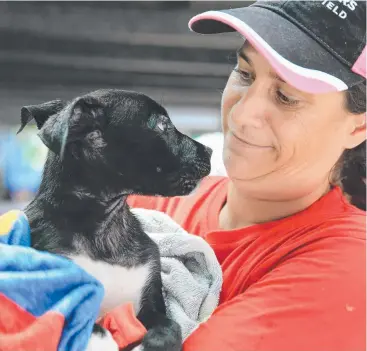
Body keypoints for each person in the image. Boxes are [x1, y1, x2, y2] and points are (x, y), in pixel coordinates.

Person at [128, 1, 366, 350]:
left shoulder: (351, 268)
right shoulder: (150, 197)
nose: (242, 114)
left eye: (286, 97)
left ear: (358, 126)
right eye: (245, 74)